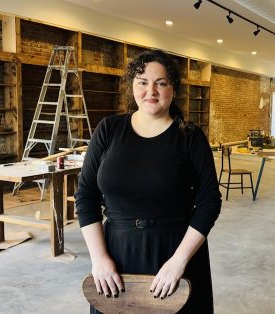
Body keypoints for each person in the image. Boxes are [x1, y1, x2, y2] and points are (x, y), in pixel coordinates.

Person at [75, 49, 222, 313]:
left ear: (173, 88)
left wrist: (179, 261)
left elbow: (209, 202)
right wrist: (99, 258)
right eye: (142, 82)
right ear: (132, 85)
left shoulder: (190, 137)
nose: (150, 91)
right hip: (116, 255)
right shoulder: (109, 129)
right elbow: (86, 195)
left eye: (161, 83)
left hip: (175, 252)